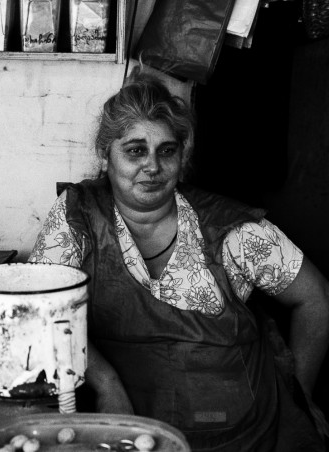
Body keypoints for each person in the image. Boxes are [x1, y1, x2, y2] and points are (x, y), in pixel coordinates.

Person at [29, 69, 329, 451]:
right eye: (135, 150)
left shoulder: (230, 229)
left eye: (166, 151)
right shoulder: (77, 219)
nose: (152, 166)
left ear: (181, 157)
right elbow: (39, 309)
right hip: (122, 430)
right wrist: (107, 385)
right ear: (106, 156)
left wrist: (297, 396)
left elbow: (317, 297)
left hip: (244, 434)